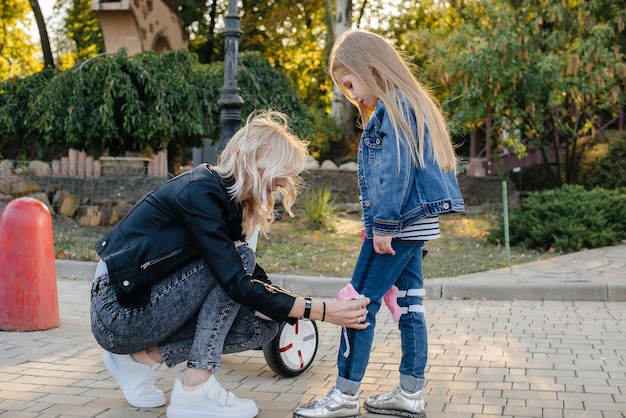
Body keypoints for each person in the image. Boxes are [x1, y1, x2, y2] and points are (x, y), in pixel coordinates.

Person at [90, 110, 371, 418]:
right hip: (118, 312)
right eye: (278, 171)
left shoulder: (230, 204)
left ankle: (141, 361)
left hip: (145, 310)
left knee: (262, 324)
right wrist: (321, 311)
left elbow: (250, 279)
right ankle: (197, 388)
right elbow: (236, 277)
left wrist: (282, 304)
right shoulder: (200, 190)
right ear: (247, 158)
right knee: (240, 260)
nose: (282, 183)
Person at [293, 30, 465, 418]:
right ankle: (410, 392)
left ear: (370, 68)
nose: (352, 95)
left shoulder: (392, 109)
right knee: (410, 304)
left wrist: (383, 225)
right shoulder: (414, 104)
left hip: (396, 227)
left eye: (350, 84)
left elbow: (394, 172)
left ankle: (344, 396)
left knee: (356, 304)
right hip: (416, 226)